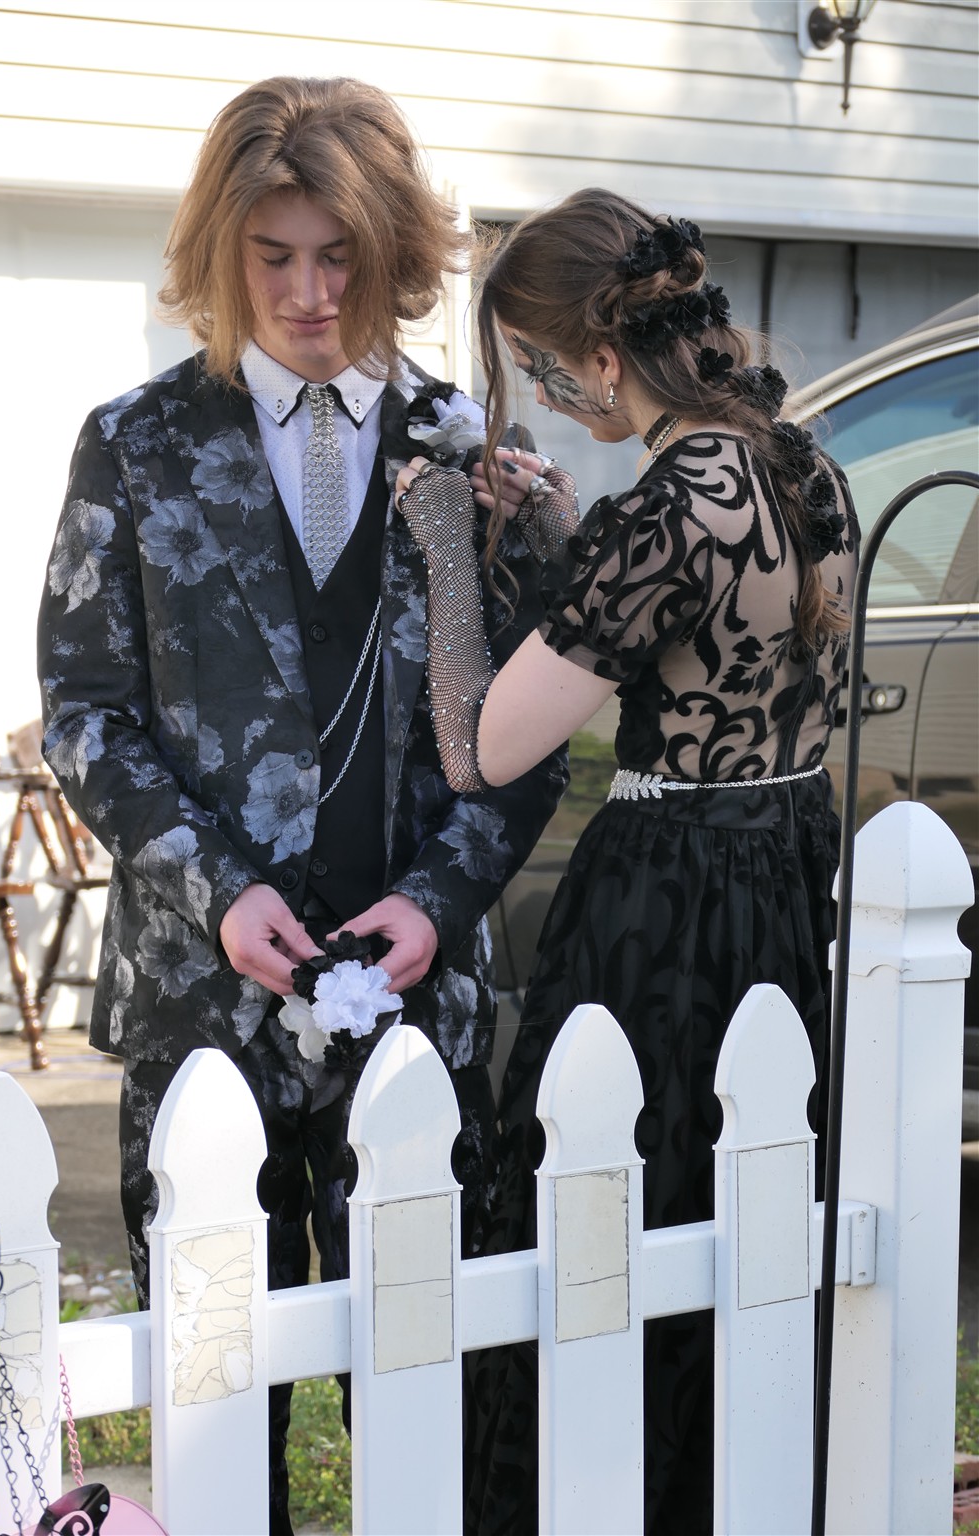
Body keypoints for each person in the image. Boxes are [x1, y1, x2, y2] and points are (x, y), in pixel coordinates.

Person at [37, 76, 567, 1535]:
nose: (311, 294)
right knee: (217, 1404)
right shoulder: (133, 444)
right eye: (274, 256)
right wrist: (217, 889)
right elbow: (85, 711)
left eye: (342, 256)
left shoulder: (472, 451)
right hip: (200, 1010)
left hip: (421, 1010)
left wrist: (441, 900)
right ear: (221, 252)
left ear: (394, 252)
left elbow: (534, 737)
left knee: (424, 1401)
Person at [395, 187, 860, 1536]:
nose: (542, 399)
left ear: (603, 357)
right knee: (740, 1232)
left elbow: (483, 746)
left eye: (540, 369)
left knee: (612, 1232)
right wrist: (567, 539)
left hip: (669, 904)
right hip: (787, 878)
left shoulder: (671, 502)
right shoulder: (799, 462)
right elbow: (701, 636)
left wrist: (446, 553)